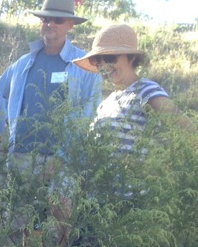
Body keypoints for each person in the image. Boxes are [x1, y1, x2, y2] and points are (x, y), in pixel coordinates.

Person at [0, 0, 101, 165]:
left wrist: (69, 157)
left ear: (70, 25)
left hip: (63, 162)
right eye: (45, 19)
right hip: (20, 157)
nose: (50, 24)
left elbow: (91, 110)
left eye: (57, 20)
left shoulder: (85, 64)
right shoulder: (23, 63)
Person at [72, 23, 177, 154]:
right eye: (97, 60)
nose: (103, 65)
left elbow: (185, 131)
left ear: (131, 58)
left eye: (110, 58)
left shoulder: (146, 91)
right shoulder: (107, 102)